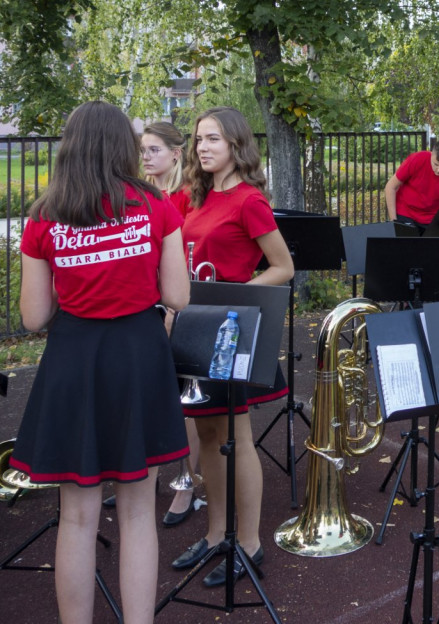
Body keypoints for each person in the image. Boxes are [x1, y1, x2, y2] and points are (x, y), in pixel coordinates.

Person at [11, 101, 190, 624]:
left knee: (77, 515)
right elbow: (177, 296)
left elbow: (33, 316)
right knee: (138, 512)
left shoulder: (45, 214)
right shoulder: (156, 205)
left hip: (74, 358)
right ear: (122, 147)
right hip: (137, 355)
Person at [171, 106, 295, 588]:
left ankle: (248, 543)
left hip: (227, 331)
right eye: (199, 139)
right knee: (204, 436)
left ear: (237, 146)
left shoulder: (249, 201)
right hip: (191, 327)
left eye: (213, 140)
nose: (202, 147)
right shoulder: (192, 197)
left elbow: (282, 267)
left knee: (234, 438)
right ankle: (215, 532)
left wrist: (235, 302)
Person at [141, 121, 203, 525]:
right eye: (143, 150)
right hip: (147, 308)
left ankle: (187, 485)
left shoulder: (183, 197)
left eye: (153, 150)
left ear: (176, 154)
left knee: (185, 402)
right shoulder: (141, 194)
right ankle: (144, 479)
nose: (145, 156)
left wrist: (173, 313)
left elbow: (186, 261)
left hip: (177, 307)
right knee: (148, 398)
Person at [384, 139, 439, 236]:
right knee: (408, 246)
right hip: (405, 213)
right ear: (431, 155)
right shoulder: (417, 159)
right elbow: (390, 187)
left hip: (432, 220)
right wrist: (394, 221)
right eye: (435, 164)